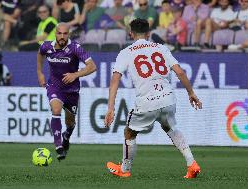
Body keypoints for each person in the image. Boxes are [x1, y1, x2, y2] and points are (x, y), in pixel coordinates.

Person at [104, 18, 202, 178]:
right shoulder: (161, 48)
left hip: (147, 102)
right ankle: (192, 163)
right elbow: (180, 72)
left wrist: (110, 108)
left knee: (129, 132)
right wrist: (191, 93)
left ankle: (125, 169)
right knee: (171, 128)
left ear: (131, 33)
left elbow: (115, 79)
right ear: (149, 33)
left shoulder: (126, 52)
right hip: (168, 99)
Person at [37, 23, 97, 160]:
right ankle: (58, 145)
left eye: (65, 33)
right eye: (59, 33)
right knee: (56, 110)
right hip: (54, 86)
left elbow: (92, 66)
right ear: (55, 34)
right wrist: (39, 73)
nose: (62, 36)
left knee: (70, 122)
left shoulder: (75, 48)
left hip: (71, 90)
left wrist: (75, 75)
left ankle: (66, 135)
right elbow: (40, 55)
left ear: (68, 34)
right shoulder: (46, 46)